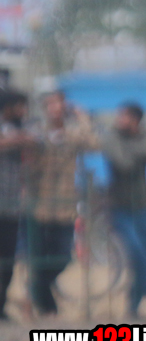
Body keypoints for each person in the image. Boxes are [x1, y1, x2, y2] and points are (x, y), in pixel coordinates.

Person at [22, 92, 94, 317]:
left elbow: (91, 141)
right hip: (40, 206)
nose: (55, 109)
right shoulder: (37, 134)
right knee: (39, 258)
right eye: (51, 105)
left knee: (63, 257)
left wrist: (81, 117)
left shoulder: (72, 135)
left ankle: (36, 290)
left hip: (64, 206)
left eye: (59, 104)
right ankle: (47, 308)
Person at [102, 101, 146, 319]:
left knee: (144, 256)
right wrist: (138, 151)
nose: (119, 120)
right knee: (136, 250)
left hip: (143, 204)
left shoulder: (144, 136)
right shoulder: (111, 137)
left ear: (135, 120)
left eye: (124, 116)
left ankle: (133, 307)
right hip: (119, 206)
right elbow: (123, 163)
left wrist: (133, 150)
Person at [0, 91, 32, 321]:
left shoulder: (23, 129)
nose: (23, 111)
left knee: (7, 261)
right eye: (19, 106)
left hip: (11, 206)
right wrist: (16, 140)